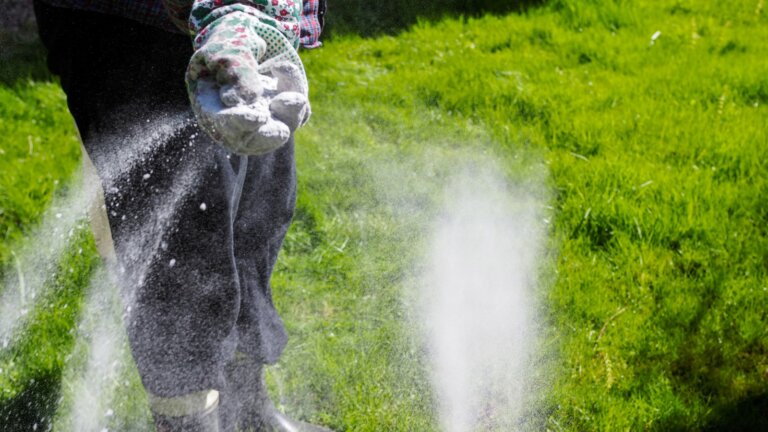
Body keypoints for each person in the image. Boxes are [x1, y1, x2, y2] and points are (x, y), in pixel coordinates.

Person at [32, 0, 330, 431]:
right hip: (134, 20)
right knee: (181, 244)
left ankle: (247, 411)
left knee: (256, 210)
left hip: (248, 21)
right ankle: (188, 421)